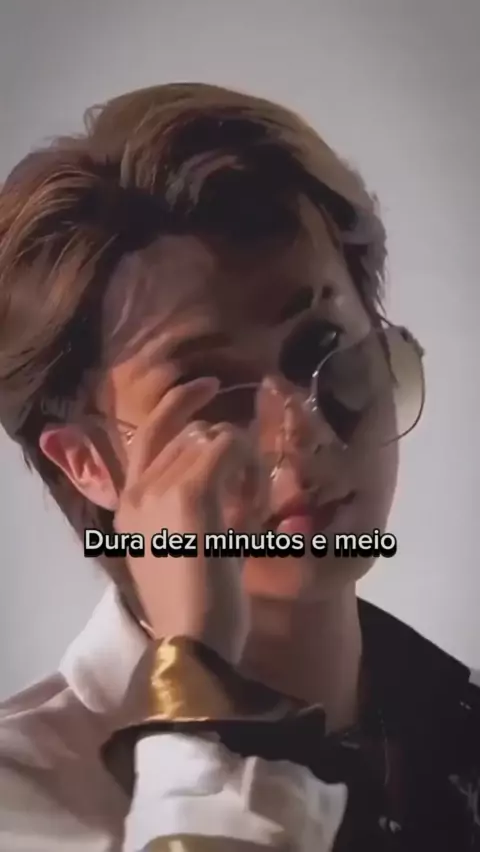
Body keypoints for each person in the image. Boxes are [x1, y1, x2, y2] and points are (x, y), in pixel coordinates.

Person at [0, 82, 478, 852]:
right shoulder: (22, 802)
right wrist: (202, 685)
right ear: (87, 462)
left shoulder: (457, 728)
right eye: (213, 397)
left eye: (323, 347)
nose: (303, 430)